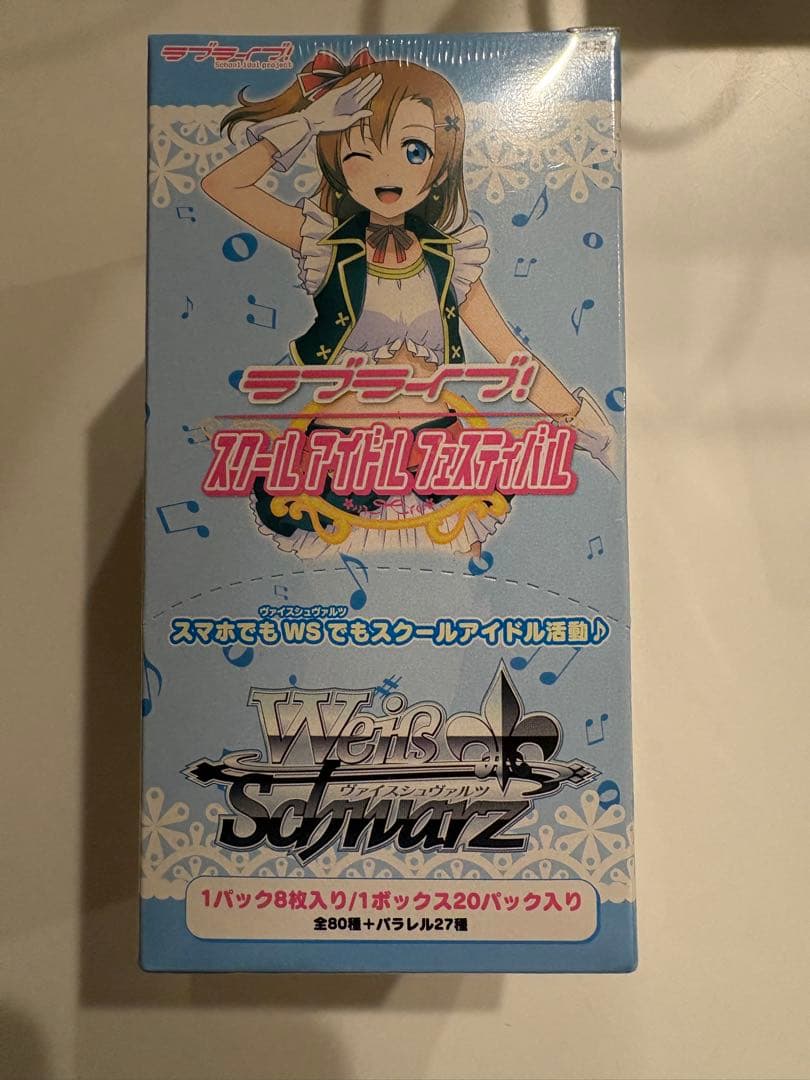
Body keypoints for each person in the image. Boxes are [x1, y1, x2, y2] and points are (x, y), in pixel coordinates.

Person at [202, 49, 617, 559]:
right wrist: (309, 122)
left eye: (414, 150)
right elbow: (222, 184)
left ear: (441, 164)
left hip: (440, 462)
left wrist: (588, 427)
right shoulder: (326, 243)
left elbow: (512, 356)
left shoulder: (452, 259)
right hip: (341, 462)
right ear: (337, 165)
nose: (388, 171)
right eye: (361, 152)